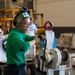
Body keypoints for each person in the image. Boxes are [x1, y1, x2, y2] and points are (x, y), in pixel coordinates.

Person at [4, 6, 36, 75]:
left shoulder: (20, 33)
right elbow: (23, 47)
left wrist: (36, 37)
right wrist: (35, 41)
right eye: (26, 24)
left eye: (29, 24)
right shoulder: (15, 35)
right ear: (18, 23)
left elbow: (27, 37)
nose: (28, 26)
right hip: (14, 69)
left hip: (19, 66)